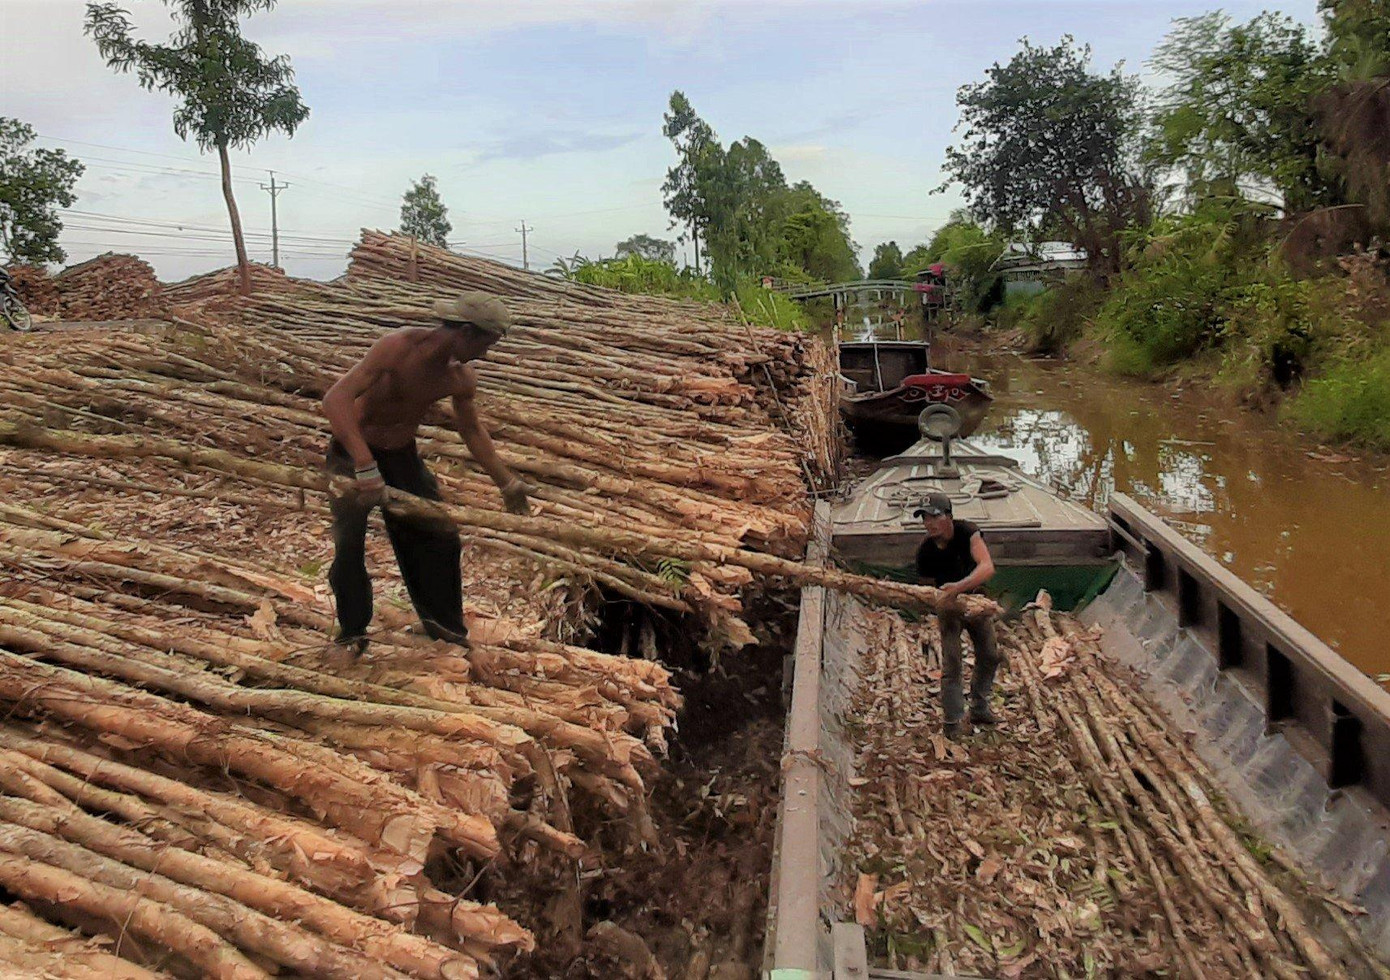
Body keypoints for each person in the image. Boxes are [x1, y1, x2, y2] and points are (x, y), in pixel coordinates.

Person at [321, 291, 532, 653]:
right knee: (349, 544)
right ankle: (352, 631)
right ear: (466, 332)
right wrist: (364, 463)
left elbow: (471, 431)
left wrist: (506, 481)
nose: (485, 354)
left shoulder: (460, 377)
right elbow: (335, 400)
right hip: (353, 453)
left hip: (402, 457)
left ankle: (445, 630)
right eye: (485, 344)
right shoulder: (397, 348)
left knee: (439, 536)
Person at [913, 492, 1002, 736]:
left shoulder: (968, 532)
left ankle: (979, 707)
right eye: (924, 518)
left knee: (990, 655)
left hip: (975, 601)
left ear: (949, 517)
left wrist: (959, 588)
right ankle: (953, 722)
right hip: (948, 609)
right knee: (952, 663)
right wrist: (941, 601)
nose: (929, 523)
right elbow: (926, 592)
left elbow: (987, 567)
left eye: (934, 517)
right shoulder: (925, 552)